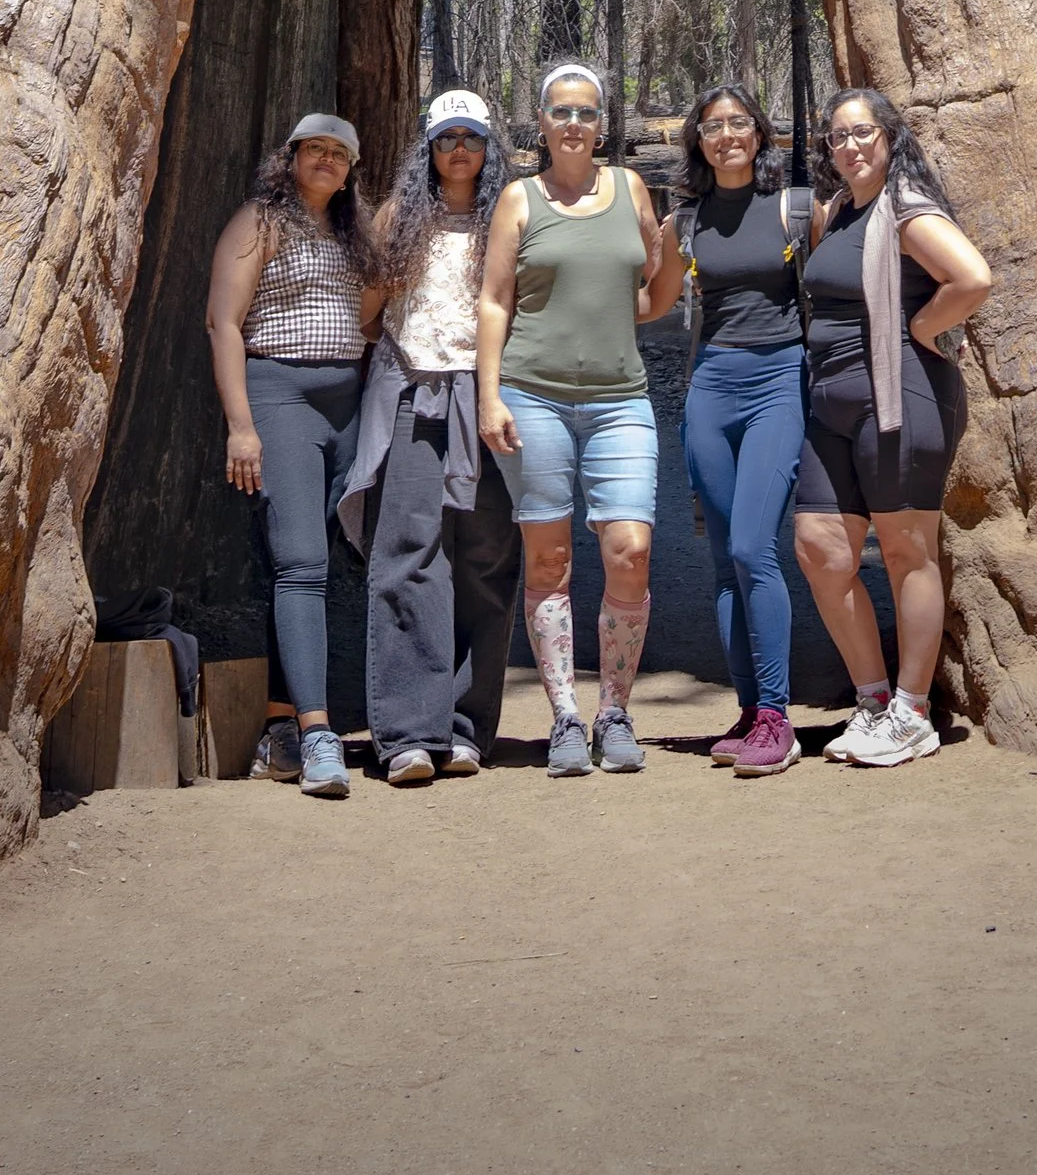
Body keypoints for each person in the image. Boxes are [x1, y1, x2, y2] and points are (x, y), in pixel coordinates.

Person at [477, 57, 681, 777]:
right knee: (550, 557)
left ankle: (615, 711)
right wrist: (489, 393)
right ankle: (566, 717)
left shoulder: (629, 188)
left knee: (629, 548)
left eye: (586, 112)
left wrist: (676, 264)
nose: (573, 123)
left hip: (621, 397)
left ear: (602, 123)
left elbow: (652, 290)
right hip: (533, 395)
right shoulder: (518, 200)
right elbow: (496, 300)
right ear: (541, 122)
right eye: (560, 111)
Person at [792, 86, 991, 771]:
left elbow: (971, 277)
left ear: (890, 136)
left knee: (909, 552)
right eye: (837, 135)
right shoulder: (842, 209)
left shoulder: (906, 207)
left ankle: (912, 712)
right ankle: (874, 701)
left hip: (902, 396)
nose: (849, 145)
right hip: (832, 406)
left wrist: (922, 327)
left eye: (862, 132)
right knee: (820, 547)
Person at [338, 89, 521, 784]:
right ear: (429, 149)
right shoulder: (397, 218)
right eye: (446, 138)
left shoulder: (508, 216)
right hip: (414, 386)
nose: (460, 150)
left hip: (487, 395)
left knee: (484, 553)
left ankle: (468, 725)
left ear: (487, 147)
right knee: (407, 551)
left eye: (471, 137)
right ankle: (409, 732)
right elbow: (369, 310)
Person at [205, 111, 381, 797]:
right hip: (278, 394)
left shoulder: (352, 231)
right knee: (302, 559)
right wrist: (240, 425)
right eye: (317, 149)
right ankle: (318, 736)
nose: (328, 161)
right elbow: (222, 321)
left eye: (341, 153)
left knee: (317, 561)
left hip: (347, 402)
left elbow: (364, 314)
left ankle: (281, 725)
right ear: (292, 156)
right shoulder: (260, 220)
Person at [676, 86, 814, 778]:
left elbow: (846, 276)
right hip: (710, 388)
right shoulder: (686, 219)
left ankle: (778, 717)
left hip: (778, 381)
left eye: (739, 123)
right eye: (713, 125)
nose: (727, 134)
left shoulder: (795, 207)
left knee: (753, 545)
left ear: (760, 135)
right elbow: (648, 295)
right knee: (723, 564)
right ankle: (750, 706)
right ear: (699, 140)